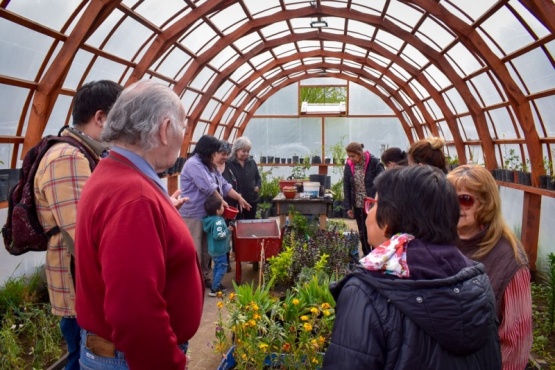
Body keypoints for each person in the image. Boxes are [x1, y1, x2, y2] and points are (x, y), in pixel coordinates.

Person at [75, 80, 203, 370]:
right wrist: (170, 362)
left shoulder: (115, 172)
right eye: (183, 126)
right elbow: (134, 311)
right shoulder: (135, 196)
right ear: (164, 128)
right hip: (131, 360)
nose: (184, 136)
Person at [323, 165, 501, 369]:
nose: (369, 213)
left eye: (374, 205)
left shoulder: (365, 292)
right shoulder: (477, 283)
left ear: (389, 221)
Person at [34, 80, 123, 370]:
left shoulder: (83, 154)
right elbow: (83, 235)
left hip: (82, 286)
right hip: (78, 290)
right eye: (119, 119)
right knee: (78, 359)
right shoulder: (68, 159)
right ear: (100, 118)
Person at [447, 164, 532, 369]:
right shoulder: (438, 242)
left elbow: (516, 342)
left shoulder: (510, 260)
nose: (455, 207)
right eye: (448, 198)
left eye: (465, 199)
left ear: (486, 204)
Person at [179, 134, 251, 288]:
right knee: (195, 248)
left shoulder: (208, 164)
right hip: (193, 214)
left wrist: (239, 198)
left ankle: (204, 277)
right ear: (207, 150)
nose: (216, 155)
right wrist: (223, 202)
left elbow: (223, 184)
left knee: (206, 249)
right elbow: (208, 187)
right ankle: (192, 281)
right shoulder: (194, 165)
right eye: (214, 151)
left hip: (207, 214)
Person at [342, 141, 384, 256]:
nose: (351, 158)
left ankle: (376, 255)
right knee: (362, 231)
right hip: (358, 202)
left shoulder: (374, 162)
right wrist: (348, 206)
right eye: (349, 156)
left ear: (360, 153)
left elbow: (383, 180)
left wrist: (378, 198)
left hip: (372, 203)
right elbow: (346, 185)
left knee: (374, 229)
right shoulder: (349, 165)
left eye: (353, 156)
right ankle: (366, 254)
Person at [222, 136, 261, 220]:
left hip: (251, 200)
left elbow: (258, 178)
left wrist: (257, 186)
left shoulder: (251, 162)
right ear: (236, 150)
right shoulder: (229, 163)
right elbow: (226, 181)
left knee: (250, 223)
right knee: (237, 224)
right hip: (236, 201)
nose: (246, 153)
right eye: (243, 151)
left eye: (248, 151)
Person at [202, 193, 232, 297]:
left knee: (216, 268)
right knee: (222, 267)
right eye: (222, 206)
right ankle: (214, 289)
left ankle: (216, 284)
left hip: (213, 249)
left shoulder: (210, 220)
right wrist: (228, 231)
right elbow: (218, 235)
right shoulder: (218, 221)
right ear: (218, 211)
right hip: (220, 250)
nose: (223, 207)